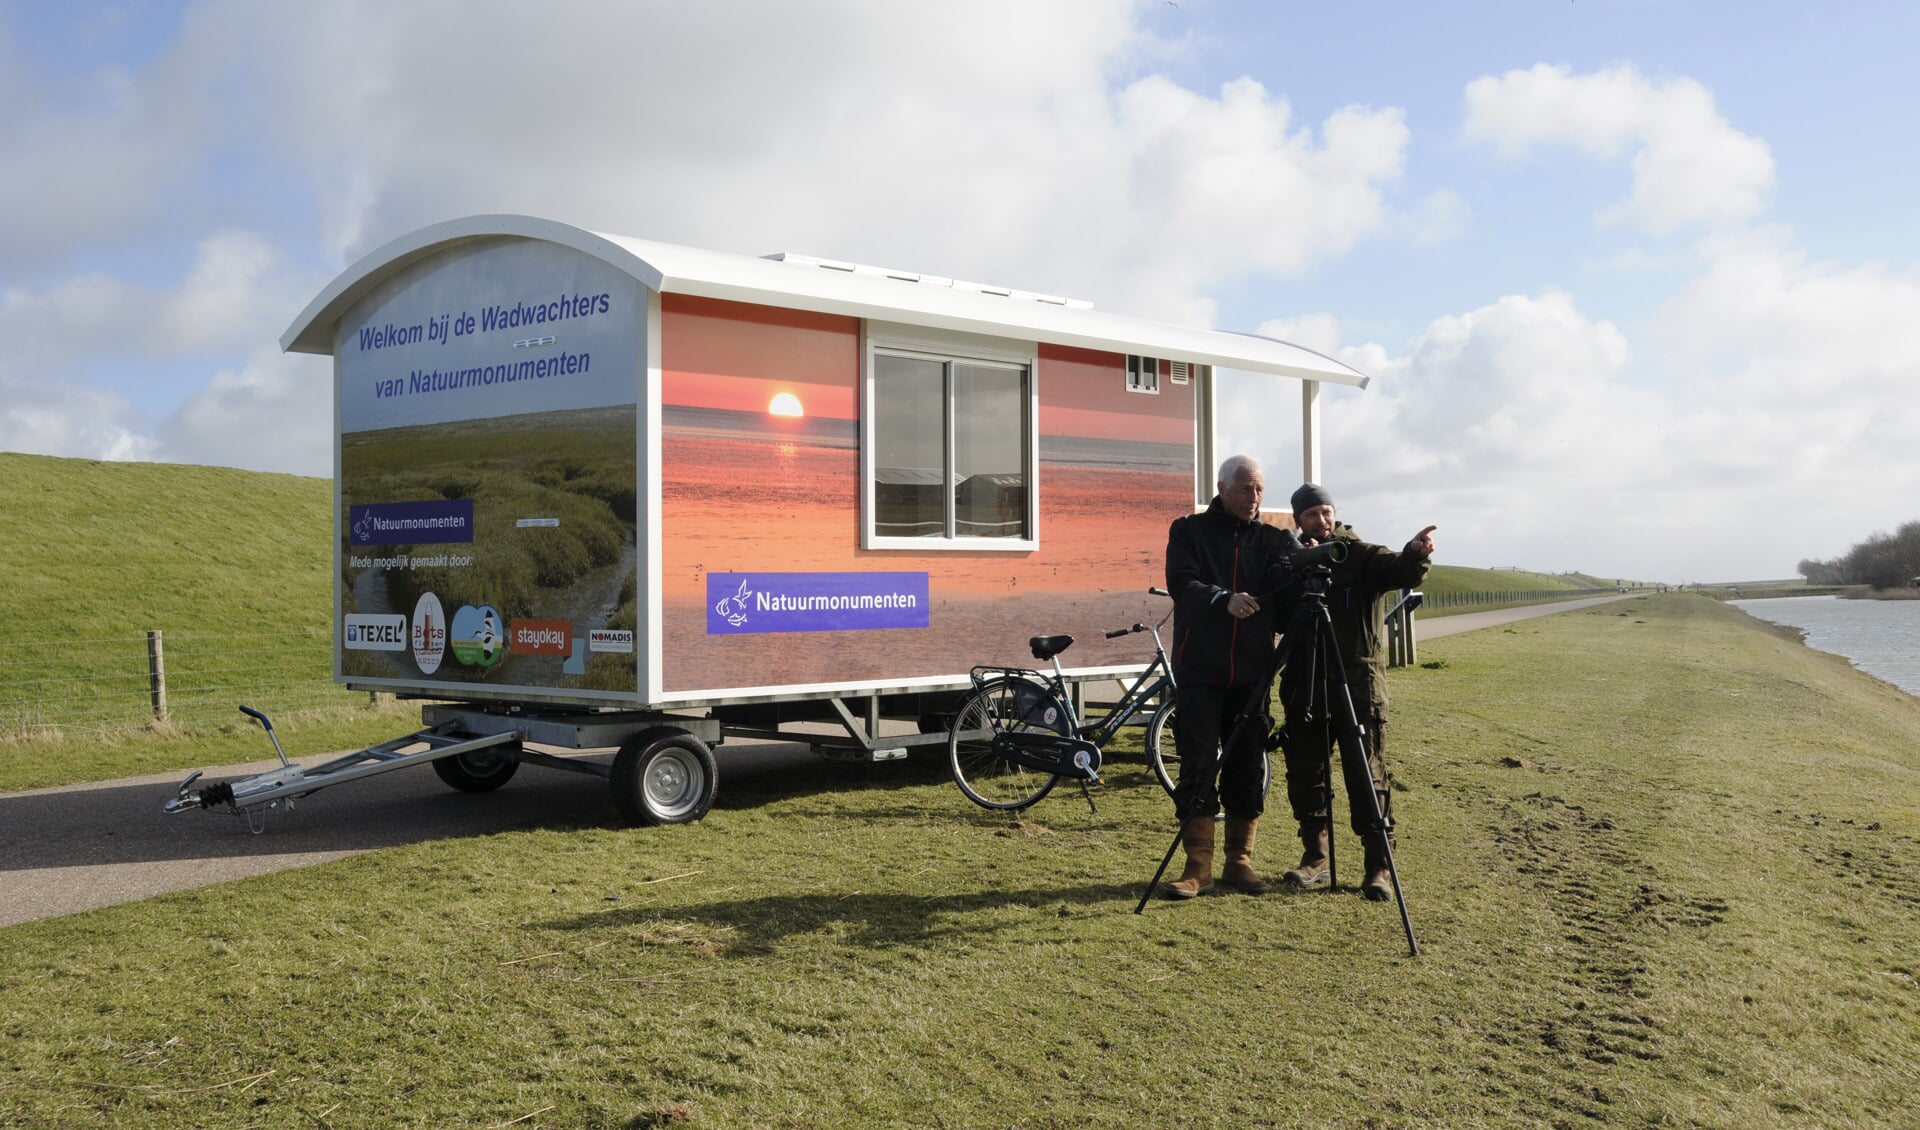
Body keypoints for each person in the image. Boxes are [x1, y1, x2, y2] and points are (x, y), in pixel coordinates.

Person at [1277, 482, 1436, 901]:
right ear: (1299, 521)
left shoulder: (1361, 555)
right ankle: (1315, 855)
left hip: (1358, 686)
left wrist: (1416, 554)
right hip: (1307, 685)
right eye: (1312, 515)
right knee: (1305, 773)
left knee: (1368, 777)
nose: (1321, 520)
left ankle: (1378, 865)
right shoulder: (1295, 564)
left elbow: (1399, 569)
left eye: (1326, 512)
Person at [1161, 454, 1288, 898]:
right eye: (1244, 489)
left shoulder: (1274, 541)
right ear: (1221, 488)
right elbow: (1182, 582)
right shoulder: (1188, 531)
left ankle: (1240, 862)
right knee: (1197, 766)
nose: (1253, 498)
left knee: (1247, 769)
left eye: (1259, 490)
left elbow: (1293, 585)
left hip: (1252, 675)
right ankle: (1198, 867)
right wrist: (1223, 600)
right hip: (1200, 671)